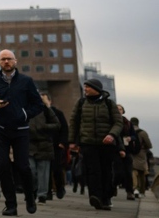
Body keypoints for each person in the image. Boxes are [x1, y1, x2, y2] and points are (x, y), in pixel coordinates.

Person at [0, 49, 45, 216]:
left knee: (23, 166)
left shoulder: (26, 81)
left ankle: (30, 197)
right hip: (0, 129)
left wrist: (24, 114)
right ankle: (11, 205)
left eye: (9, 59)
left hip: (21, 130)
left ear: (15, 61)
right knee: (2, 165)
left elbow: (38, 105)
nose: (6, 62)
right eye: (3, 59)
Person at [68, 78, 122, 210]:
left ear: (96, 89)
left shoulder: (109, 104)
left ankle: (106, 198)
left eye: (87, 87)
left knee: (106, 171)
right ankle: (95, 196)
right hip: (87, 143)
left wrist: (111, 135)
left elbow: (118, 122)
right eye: (84, 87)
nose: (85, 89)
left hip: (106, 144)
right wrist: (71, 142)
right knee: (92, 170)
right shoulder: (81, 103)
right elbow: (73, 122)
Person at [27, 96, 60, 204]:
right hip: (29, 143)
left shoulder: (46, 110)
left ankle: (42, 195)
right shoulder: (25, 108)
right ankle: (33, 190)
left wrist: (44, 126)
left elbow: (57, 124)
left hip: (44, 144)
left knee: (43, 172)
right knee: (31, 170)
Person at [39, 92, 68, 201]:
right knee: (45, 169)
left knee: (56, 168)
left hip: (56, 145)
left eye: (44, 99)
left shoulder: (58, 113)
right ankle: (47, 192)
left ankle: (60, 188)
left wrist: (62, 142)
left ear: (49, 101)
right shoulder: (38, 112)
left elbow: (64, 128)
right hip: (43, 144)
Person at [129, 118, 152, 197]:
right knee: (142, 173)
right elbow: (149, 145)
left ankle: (134, 188)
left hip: (131, 153)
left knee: (133, 170)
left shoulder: (128, 132)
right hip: (141, 153)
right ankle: (142, 191)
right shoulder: (143, 133)